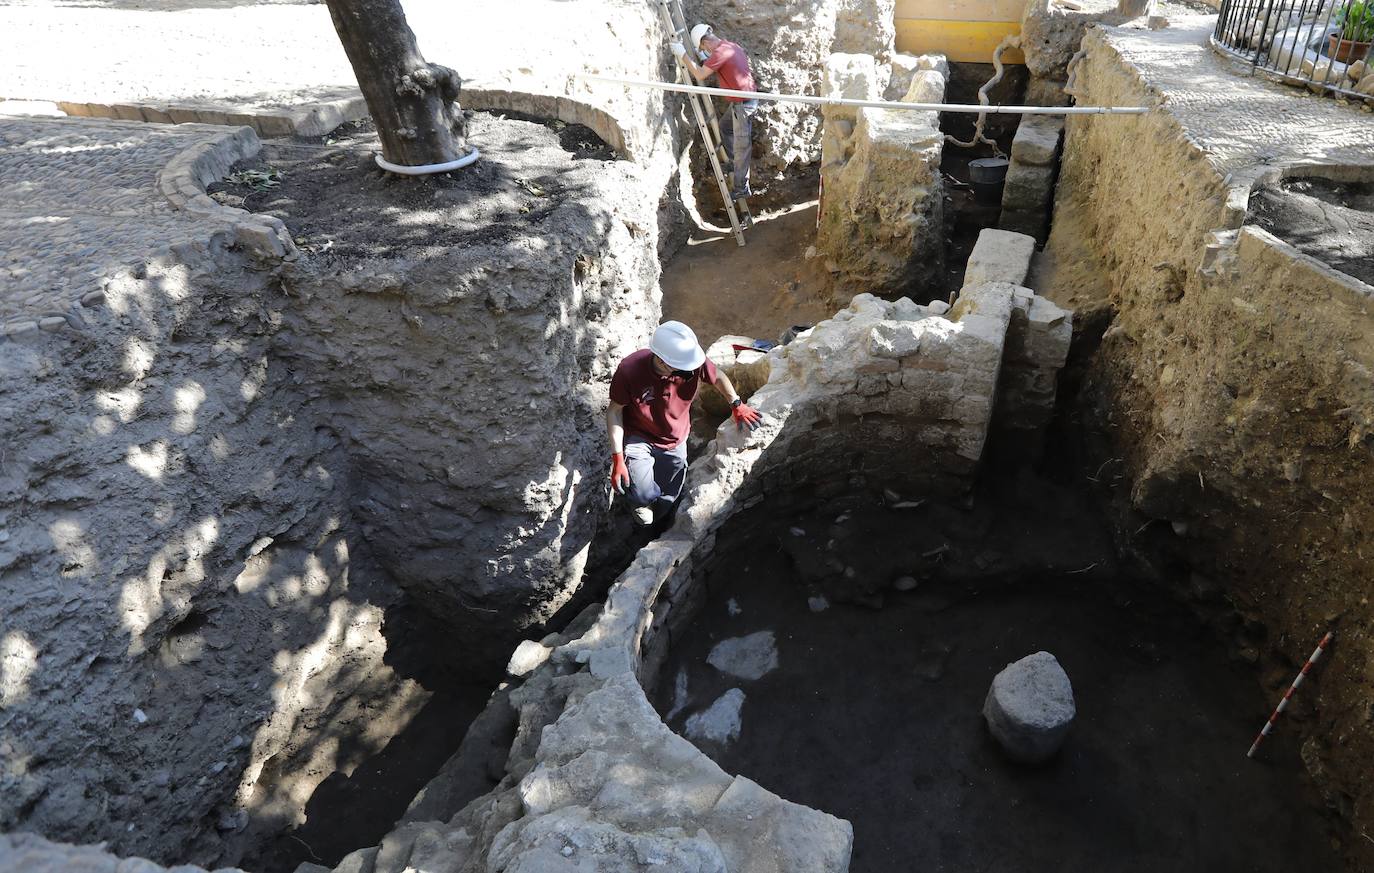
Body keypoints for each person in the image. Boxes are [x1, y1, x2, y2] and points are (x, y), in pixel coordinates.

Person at [607, 321, 762, 526]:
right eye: (682, 369)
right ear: (662, 361)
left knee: (671, 491)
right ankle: (643, 502)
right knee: (641, 493)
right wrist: (618, 457)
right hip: (640, 437)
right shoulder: (630, 371)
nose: (689, 372)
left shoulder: (690, 362)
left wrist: (737, 403)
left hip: (676, 438)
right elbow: (615, 411)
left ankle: (662, 519)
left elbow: (718, 377)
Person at [670, 23, 759, 203]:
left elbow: (700, 74)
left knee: (742, 147)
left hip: (743, 104)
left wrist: (683, 55)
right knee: (725, 128)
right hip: (741, 100)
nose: (705, 51)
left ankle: (741, 187)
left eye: (703, 49)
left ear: (705, 43)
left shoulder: (719, 53)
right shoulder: (729, 46)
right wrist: (704, 57)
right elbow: (722, 64)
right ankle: (734, 165)